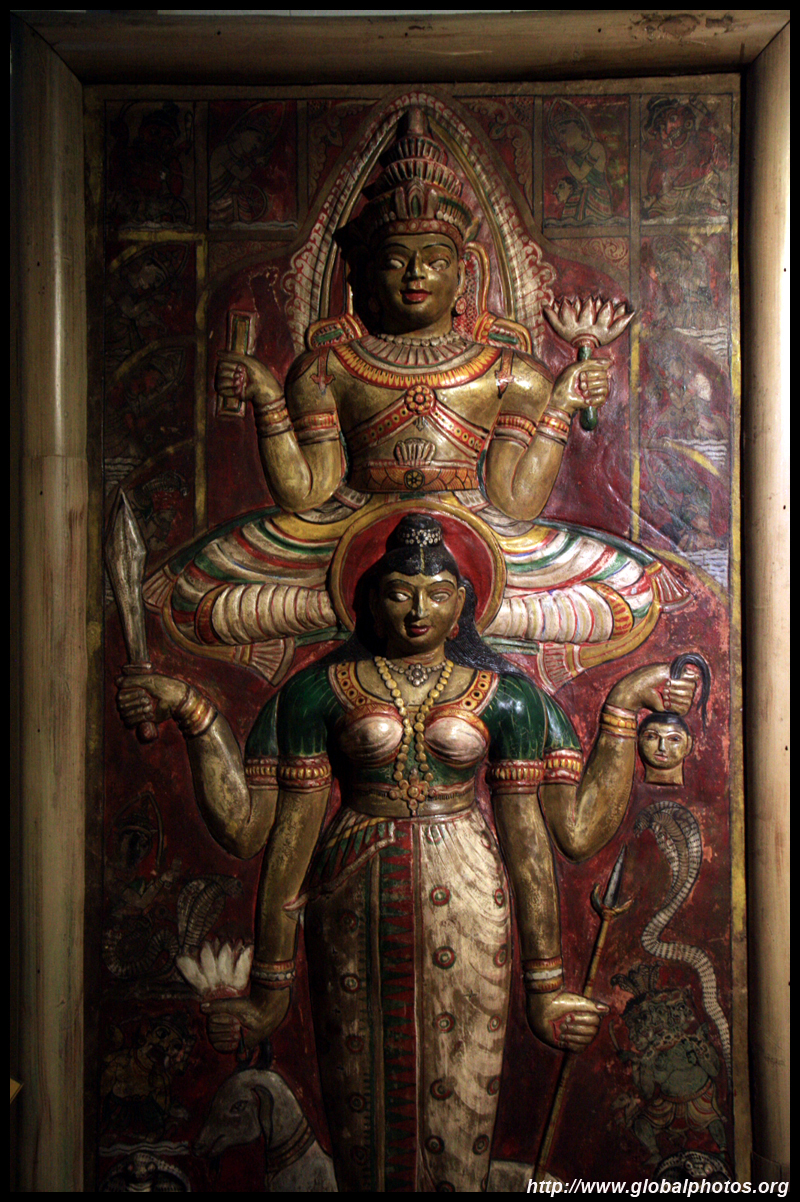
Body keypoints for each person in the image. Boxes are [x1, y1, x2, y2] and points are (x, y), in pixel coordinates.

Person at [119, 513, 696, 1192]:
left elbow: (542, 846)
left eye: (436, 594)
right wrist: (193, 712)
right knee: (362, 1088)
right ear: (369, 600)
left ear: (463, 604)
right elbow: (268, 841)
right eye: (399, 593)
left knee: (463, 1084)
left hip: (470, 893)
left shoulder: (507, 697)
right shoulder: (318, 691)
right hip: (351, 892)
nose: (418, 611)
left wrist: (545, 994)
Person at [144, 107, 687, 694]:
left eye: (435, 260)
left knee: (627, 590)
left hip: (480, 532)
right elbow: (308, 492)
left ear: (465, 273)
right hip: (350, 527)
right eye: (395, 260)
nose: (414, 275)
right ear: (366, 275)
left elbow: (516, 501)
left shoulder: (512, 375)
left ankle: (433, 624)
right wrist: (268, 397)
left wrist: (559, 404)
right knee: (200, 588)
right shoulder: (328, 368)